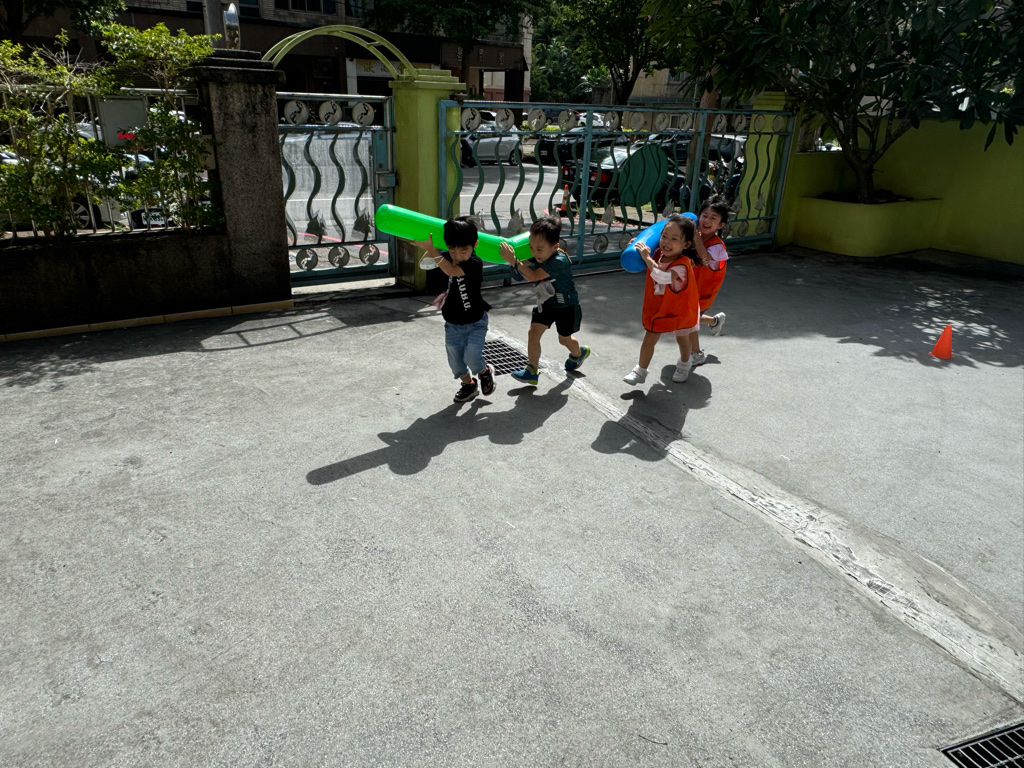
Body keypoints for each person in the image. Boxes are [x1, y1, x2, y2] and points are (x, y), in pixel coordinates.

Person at [498, 216, 590, 386]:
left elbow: (532, 275)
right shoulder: (540, 254)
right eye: (531, 247)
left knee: (564, 339)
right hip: (546, 303)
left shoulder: (559, 261)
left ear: (555, 246)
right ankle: (532, 370)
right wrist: (513, 258)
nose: (534, 253)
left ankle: (578, 354)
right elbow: (523, 263)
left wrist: (514, 261)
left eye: (539, 249)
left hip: (566, 306)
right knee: (533, 333)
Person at [412, 217, 496, 403]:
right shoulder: (445, 257)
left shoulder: (474, 263)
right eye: (452, 250)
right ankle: (469, 385)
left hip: (475, 322)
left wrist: (433, 251)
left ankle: (484, 371)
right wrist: (428, 246)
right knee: (456, 364)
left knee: (472, 358)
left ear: (475, 245)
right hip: (452, 324)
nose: (457, 255)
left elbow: (451, 270)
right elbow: (425, 264)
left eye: (463, 250)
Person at [623, 213, 701, 386]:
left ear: (686, 244)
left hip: (680, 309)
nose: (667, 242)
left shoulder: (682, 264)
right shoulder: (659, 253)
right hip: (661, 308)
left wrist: (647, 258)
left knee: (682, 338)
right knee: (649, 338)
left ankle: (684, 364)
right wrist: (637, 245)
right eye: (664, 236)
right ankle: (640, 371)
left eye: (674, 239)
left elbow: (662, 276)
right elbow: (650, 257)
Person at [689, 197, 730, 366]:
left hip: (702, 294)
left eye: (713, 218)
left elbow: (704, 259)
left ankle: (696, 353)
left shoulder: (718, 247)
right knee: (685, 320)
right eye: (704, 215)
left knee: (688, 323)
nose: (707, 220)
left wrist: (694, 236)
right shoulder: (695, 236)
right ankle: (715, 321)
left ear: (720, 225)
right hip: (687, 290)